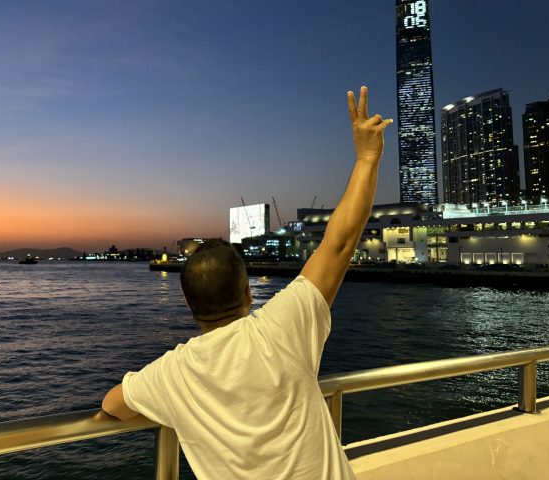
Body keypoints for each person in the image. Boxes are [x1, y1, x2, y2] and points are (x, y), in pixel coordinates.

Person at [102, 86, 393, 479]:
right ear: (247, 292)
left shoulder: (173, 373)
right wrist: (367, 157)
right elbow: (339, 242)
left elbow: (114, 405)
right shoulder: (283, 328)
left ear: (190, 305)